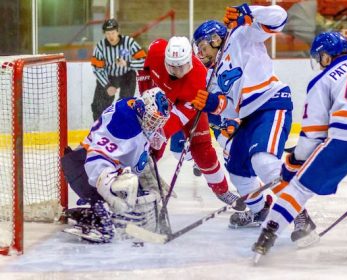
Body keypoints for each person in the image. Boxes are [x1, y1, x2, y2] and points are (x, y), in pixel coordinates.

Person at [252, 31, 347, 262]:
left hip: (346, 137)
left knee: (300, 188)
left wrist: (293, 164)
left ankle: (267, 234)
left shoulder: (323, 79)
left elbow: (313, 134)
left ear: (326, 57)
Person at [191, 4, 305, 230]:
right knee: (237, 170)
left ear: (215, 39)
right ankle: (260, 210)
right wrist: (213, 104)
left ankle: (300, 215)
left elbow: (279, 17)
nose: (200, 54)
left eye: (203, 47)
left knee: (263, 162)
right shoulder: (210, 76)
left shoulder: (241, 35)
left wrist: (249, 13)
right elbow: (233, 108)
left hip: (271, 103)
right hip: (248, 116)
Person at [137, 36, 245, 209]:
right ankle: (141, 183)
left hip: (188, 106)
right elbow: (144, 70)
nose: (178, 72)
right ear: (166, 59)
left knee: (202, 149)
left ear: (189, 61)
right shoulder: (157, 50)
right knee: (147, 146)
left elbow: (180, 114)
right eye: (173, 67)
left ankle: (222, 190)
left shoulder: (199, 76)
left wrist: (162, 133)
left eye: (182, 67)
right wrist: (146, 97)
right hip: (160, 99)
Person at [61, 87, 170, 243]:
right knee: (118, 205)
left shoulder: (136, 110)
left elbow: (132, 155)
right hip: (83, 165)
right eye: (153, 119)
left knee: (139, 203)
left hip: (96, 164)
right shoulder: (125, 124)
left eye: (158, 122)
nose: (154, 125)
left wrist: (150, 175)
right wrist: (108, 191)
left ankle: (95, 211)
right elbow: (96, 157)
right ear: (143, 107)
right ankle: (98, 221)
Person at [91, 18, 147, 121]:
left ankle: (121, 128)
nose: (110, 36)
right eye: (108, 33)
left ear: (118, 31)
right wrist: (107, 86)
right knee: (97, 106)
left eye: (112, 33)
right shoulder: (100, 46)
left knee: (124, 105)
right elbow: (97, 69)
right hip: (110, 76)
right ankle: (98, 130)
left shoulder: (128, 42)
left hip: (127, 76)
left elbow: (144, 62)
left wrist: (128, 63)